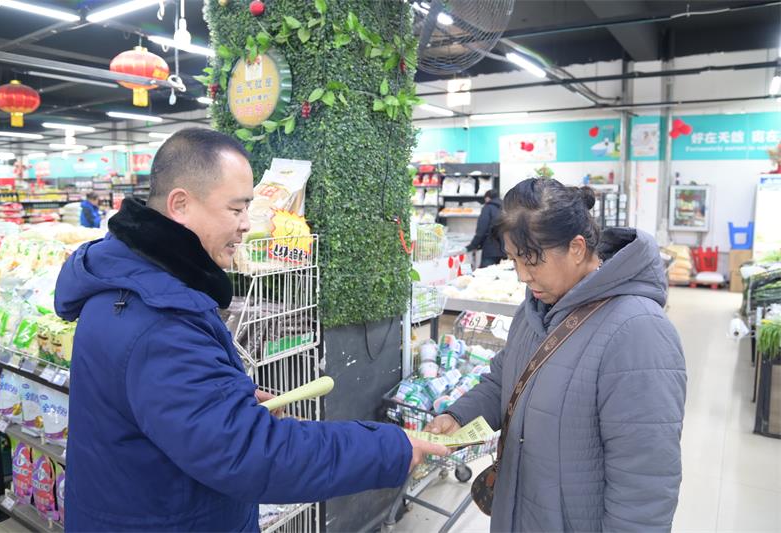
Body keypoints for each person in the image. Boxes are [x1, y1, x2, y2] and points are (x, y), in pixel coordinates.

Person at [54, 128, 446, 532]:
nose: (246, 225)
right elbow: (249, 453)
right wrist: (389, 448)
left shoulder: (131, 281)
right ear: (181, 204)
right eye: (236, 209)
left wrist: (227, 395)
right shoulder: (160, 320)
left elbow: (159, 408)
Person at [426, 178, 686, 531]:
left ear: (576, 248)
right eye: (514, 260)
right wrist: (460, 416)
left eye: (532, 260)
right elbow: (505, 377)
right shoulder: (535, 309)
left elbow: (644, 482)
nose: (522, 275)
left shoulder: (638, 330)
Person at [466, 189, 505, 268]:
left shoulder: (488, 208)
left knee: (485, 274)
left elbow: (481, 230)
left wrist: (472, 246)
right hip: (505, 250)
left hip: (490, 250)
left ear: (487, 198)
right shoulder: (506, 207)